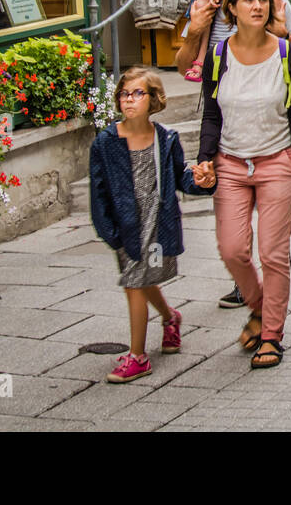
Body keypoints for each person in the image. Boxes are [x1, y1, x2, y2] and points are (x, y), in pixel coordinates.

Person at [196, 0, 291, 369]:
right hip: (230, 164)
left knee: (273, 254)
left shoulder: (288, 54)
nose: (257, 6)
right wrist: (205, 157)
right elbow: (212, 114)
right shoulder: (218, 56)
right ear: (232, 8)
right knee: (232, 249)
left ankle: (271, 336)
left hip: (277, 163)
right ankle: (262, 307)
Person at [90, 68, 214, 384]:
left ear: (154, 98)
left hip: (157, 225)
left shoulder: (165, 138)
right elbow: (98, 190)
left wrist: (203, 182)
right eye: (124, 94)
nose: (129, 100)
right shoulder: (105, 142)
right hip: (126, 227)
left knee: (138, 282)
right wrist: (109, 232)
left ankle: (146, 348)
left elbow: (181, 177)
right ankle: (160, 330)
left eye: (137, 93)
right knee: (138, 280)